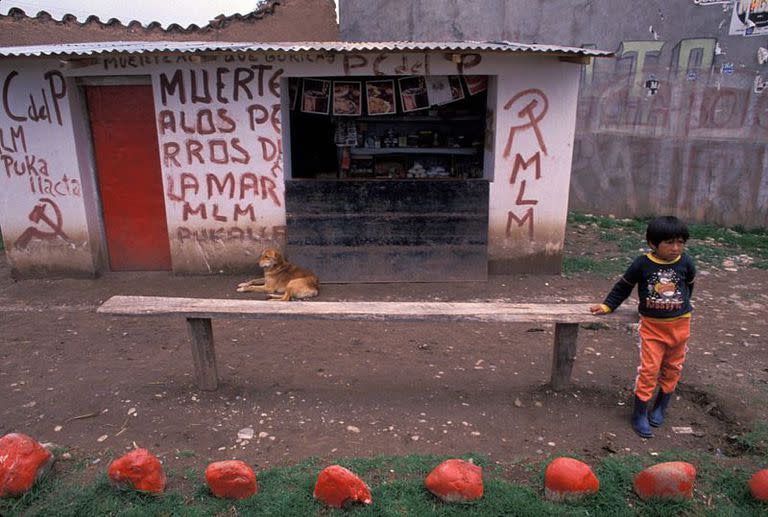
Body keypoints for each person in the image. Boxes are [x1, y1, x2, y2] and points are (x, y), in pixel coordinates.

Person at [590, 216, 696, 438]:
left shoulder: (686, 262)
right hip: (652, 328)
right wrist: (608, 306)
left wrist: (679, 307)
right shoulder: (642, 263)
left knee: (673, 368)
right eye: (669, 243)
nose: (675, 248)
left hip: (680, 325)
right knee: (649, 370)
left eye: (680, 242)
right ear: (652, 243)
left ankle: (660, 407)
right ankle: (639, 413)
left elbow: (689, 286)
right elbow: (623, 287)